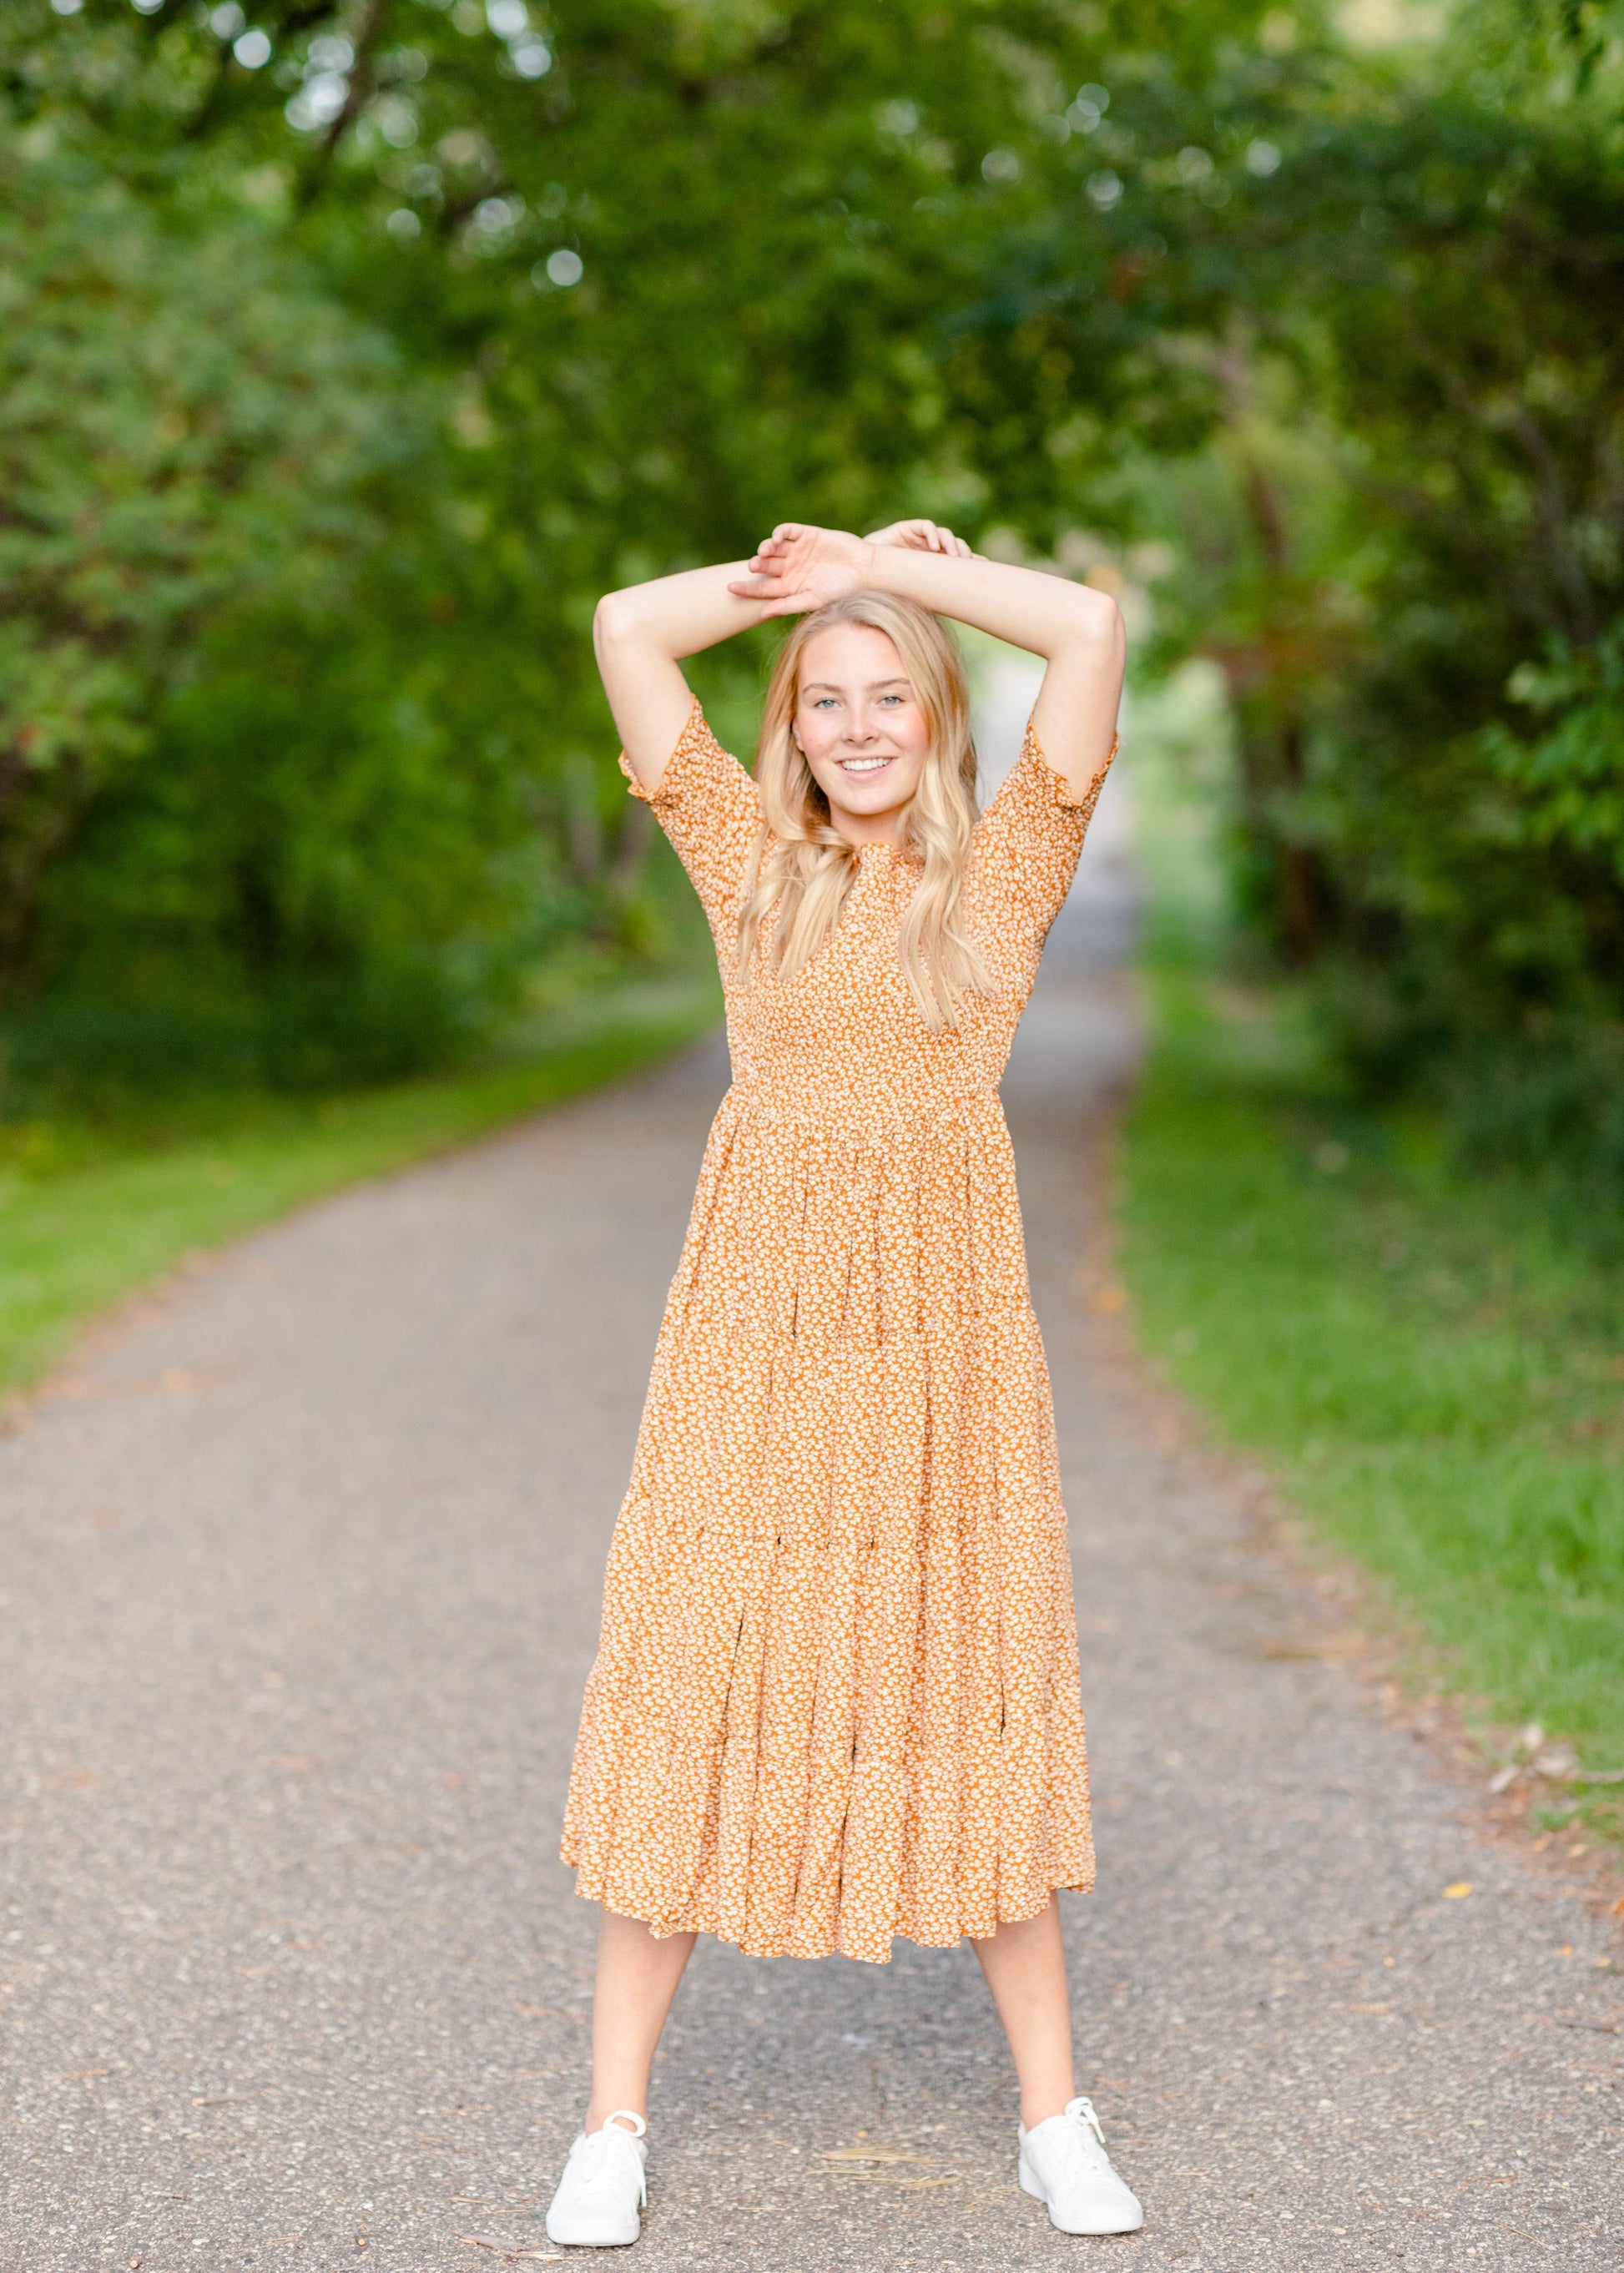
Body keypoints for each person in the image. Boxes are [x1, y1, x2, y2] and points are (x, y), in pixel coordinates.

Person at [546, 519, 1140, 2247]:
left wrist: (903, 566)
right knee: (697, 1673)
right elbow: (623, 628)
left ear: (935, 713)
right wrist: (797, 590)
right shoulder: (747, 861)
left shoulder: (1012, 864)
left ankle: (1053, 2118)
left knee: (966, 1691)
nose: (862, 726)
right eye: (828, 702)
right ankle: (610, 2125)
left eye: (893, 698)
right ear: (791, 726)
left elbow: (1090, 630)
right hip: (755, 1333)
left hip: (943, 1350)